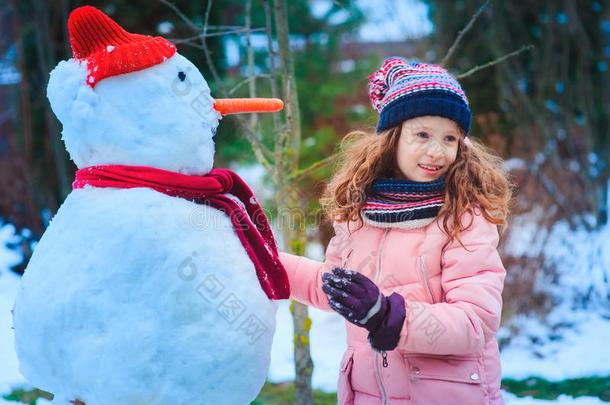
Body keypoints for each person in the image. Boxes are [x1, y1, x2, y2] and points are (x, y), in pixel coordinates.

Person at [279, 57, 513, 404]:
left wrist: (388, 316)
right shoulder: (360, 212)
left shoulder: (464, 218)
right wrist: (264, 261)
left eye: (450, 138)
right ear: (393, 137)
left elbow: (474, 322)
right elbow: (334, 286)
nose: (437, 152)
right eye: (422, 134)